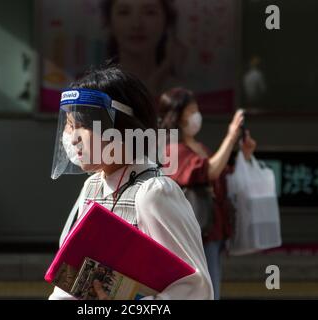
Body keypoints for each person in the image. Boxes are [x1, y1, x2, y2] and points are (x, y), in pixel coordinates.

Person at [49, 66, 213, 300]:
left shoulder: (153, 193)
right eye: (69, 124)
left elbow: (197, 289)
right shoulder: (92, 186)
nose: (72, 137)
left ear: (123, 127)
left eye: (83, 125)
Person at [158, 87, 257, 299]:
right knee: (206, 290)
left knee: (211, 285)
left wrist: (244, 156)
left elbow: (222, 173)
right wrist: (230, 137)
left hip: (213, 229)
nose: (196, 115)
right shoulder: (171, 149)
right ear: (176, 115)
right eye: (191, 110)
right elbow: (209, 171)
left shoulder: (197, 146)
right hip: (197, 232)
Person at [100, 0, 187, 96]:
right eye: (124, 12)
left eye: (149, 12)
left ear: (167, 21)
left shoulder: (185, 92)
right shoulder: (94, 89)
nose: (136, 25)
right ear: (109, 21)